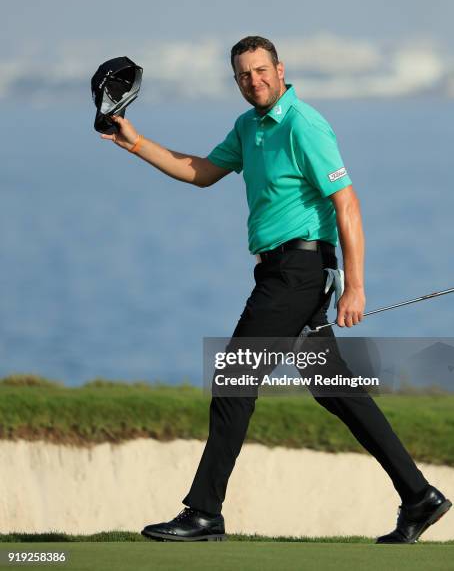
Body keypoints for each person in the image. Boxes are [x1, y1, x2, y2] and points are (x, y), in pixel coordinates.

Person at [101, 35, 451, 543]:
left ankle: (204, 512)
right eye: (244, 74)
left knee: (233, 379)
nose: (254, 81)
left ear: (280, 69)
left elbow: (347, 205)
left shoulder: (302, 124)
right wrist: (135, 142)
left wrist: (356, 287)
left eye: (262, 70)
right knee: (338, 393)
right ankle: (420, 498)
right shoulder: (248, 127)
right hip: (278, 273)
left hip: (300, 273)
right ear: (236, 79)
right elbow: (200, 172)